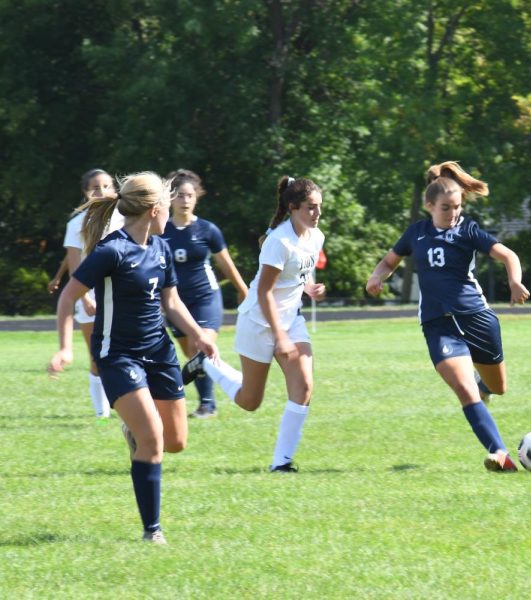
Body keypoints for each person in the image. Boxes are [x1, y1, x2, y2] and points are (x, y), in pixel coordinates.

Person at [48, 172, 219, 544]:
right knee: (154, 438)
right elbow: (67, 297)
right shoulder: (112, 250)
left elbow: (171, 302)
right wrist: (66, 347)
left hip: (160, 353)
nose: (173, 208)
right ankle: (152, 531)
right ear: (156, 208)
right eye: (168, 202)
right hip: (119, 355)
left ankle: (133, 430)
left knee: (175, 442)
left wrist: (199, 335)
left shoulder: (159, 248)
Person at [365, 161, 530, 472]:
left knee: (498, 387)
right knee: (464, 389)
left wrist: (515, 280)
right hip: (438, 323)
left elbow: (508, 255)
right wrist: (377, 276)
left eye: (456, 207)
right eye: (445, 208)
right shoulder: (415, 233)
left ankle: (484, 389)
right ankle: (500, 453)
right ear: (429, 206)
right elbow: (389, 261)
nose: (453, 214)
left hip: (477, 318)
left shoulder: (468, 230)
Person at [181, 176, 326, 473]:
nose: (317, 213)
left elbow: (301, 271)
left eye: (319, 207)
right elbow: (264, 292)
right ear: (293, 207)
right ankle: (207, 364)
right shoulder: (279, 241)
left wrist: (309, 288)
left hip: (291, 319)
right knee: (250, 401)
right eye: (311, 208)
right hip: (259, 322)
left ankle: (281, 462)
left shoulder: (316, 236)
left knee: (304, 387)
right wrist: (279, 336)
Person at [161, 169, 248, 418]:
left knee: (203, 348)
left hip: (205, 297)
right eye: (179, 195)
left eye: (189, 195)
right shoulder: (160, 230)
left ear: (196, 197)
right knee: (193, 356)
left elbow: (226, 264)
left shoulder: (208, 229)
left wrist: (243, 290)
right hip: (175, 302)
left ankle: (209, 403)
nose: (185, 200)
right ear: (170, 199)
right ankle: (199, 400)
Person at [61, 169, 126, 420]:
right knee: (97, 356)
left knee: (124, 352)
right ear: (85, 192)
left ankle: (125, 403)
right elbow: (75, 266)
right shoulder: (76, 224)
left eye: (107, 186)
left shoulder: (124, 218)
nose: (101, 192)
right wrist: (84, 297)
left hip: (121, 294)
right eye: (95, 188)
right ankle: (101, 414)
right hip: (91, 297)